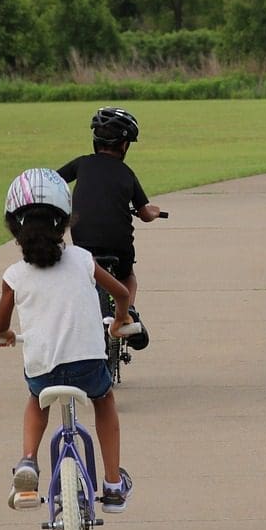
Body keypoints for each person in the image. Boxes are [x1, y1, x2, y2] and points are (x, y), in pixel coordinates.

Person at [0, 167, 134, 514]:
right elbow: (122, 293)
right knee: (104, 401)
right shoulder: (83, 260)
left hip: (44, 370)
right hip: (88, 367)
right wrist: (121, 320)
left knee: (36, 400)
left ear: (14, 226)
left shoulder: (14, 276)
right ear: (65, 221)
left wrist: (3, 335)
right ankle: (113, 483)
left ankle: (27, 462)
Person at [57, 106, 161, 349]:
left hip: (84, 240)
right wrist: (154, 212)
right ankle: (129, 314)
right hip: (119, 242)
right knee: (127, 276)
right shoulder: (127, 173)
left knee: (86, 274)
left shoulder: (82, 164)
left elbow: (54, 179)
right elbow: (145, 214)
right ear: (124, 145)